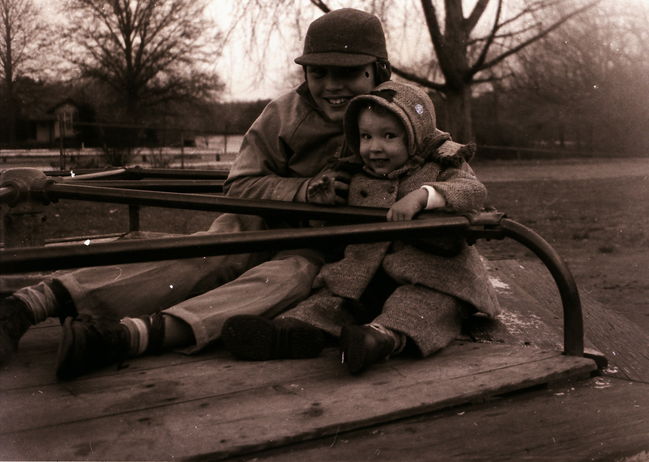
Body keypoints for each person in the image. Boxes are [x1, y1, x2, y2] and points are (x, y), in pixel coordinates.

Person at [0, 8, 401, 380]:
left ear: (377, 71)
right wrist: (304, 190)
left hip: (326, 253)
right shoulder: (283, 114)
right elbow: (240, 185)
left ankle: (128, 336)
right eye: (318, 72)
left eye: (347, 73)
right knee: (209, 253)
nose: (331, 86)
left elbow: (443, 173)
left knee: (293, 275)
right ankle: (31, 303)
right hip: (260, 226)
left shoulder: (403, 115)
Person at [221, 81, 501, 374]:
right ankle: (291, 333)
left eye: (389, 136)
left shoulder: (442, 165)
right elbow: (328, 222)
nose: (374, 148)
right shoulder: (354, 173)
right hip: (365, 275)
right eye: (366, 136)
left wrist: (424, 196)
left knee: (422, 307)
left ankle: (381, 339)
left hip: (433, 275)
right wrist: (323, 199)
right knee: (330, 301)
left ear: (416, 135)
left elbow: (473, 191)